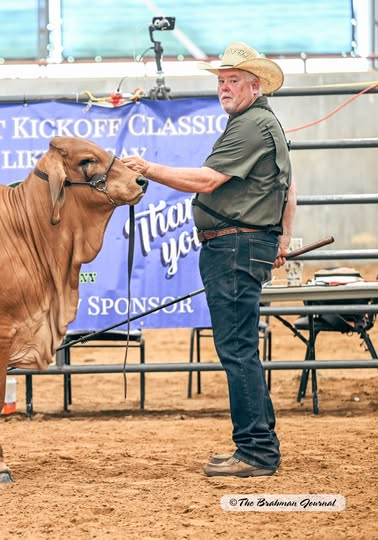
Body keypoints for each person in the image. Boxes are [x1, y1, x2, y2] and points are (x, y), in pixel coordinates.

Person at [122, 42, 296, 477]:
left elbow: (207, 179)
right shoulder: (263, 123)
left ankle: (255, 451)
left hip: (234, 247)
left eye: (233, 80)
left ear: (255, 86)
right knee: (242, 349)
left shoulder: (249, 126)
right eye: (221, 81)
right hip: (244, 244)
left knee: (236, 350)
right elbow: (289, 189)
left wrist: (147, 167)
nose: (224, 88)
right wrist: (281, 237)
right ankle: (260, 442)